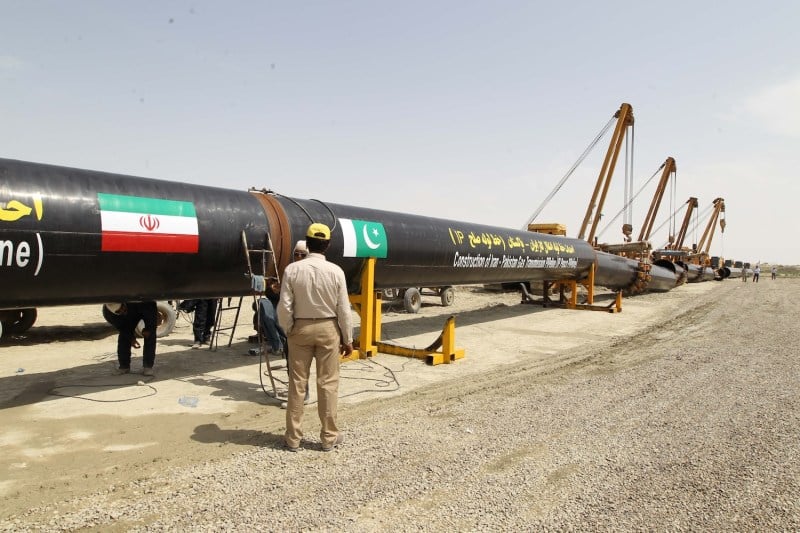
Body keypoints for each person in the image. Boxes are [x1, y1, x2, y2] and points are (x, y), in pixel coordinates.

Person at [278, 223, 353, 452]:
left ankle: (293, 439)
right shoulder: (336, 271)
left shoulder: (292, 270)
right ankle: (329, 438)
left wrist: (289, 328)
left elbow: (284, 306)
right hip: (328, 328)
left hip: (300, 328)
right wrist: (347, 338)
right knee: (328, 384)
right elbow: (344, 309)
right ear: (327, 245)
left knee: (297, 384)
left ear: (307, 243)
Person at [107, 301, 158, 376]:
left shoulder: (145, 303)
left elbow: (151, 314)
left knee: (150, 335)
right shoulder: (108, 313)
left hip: (144, 307)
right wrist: (131, 338)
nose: (122, 311)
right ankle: (124, 366)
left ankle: (148, 366)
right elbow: (122, 328)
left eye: (122, 309)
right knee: (123, 338)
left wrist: (149, 328)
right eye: (119, 312)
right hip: (129, 316)